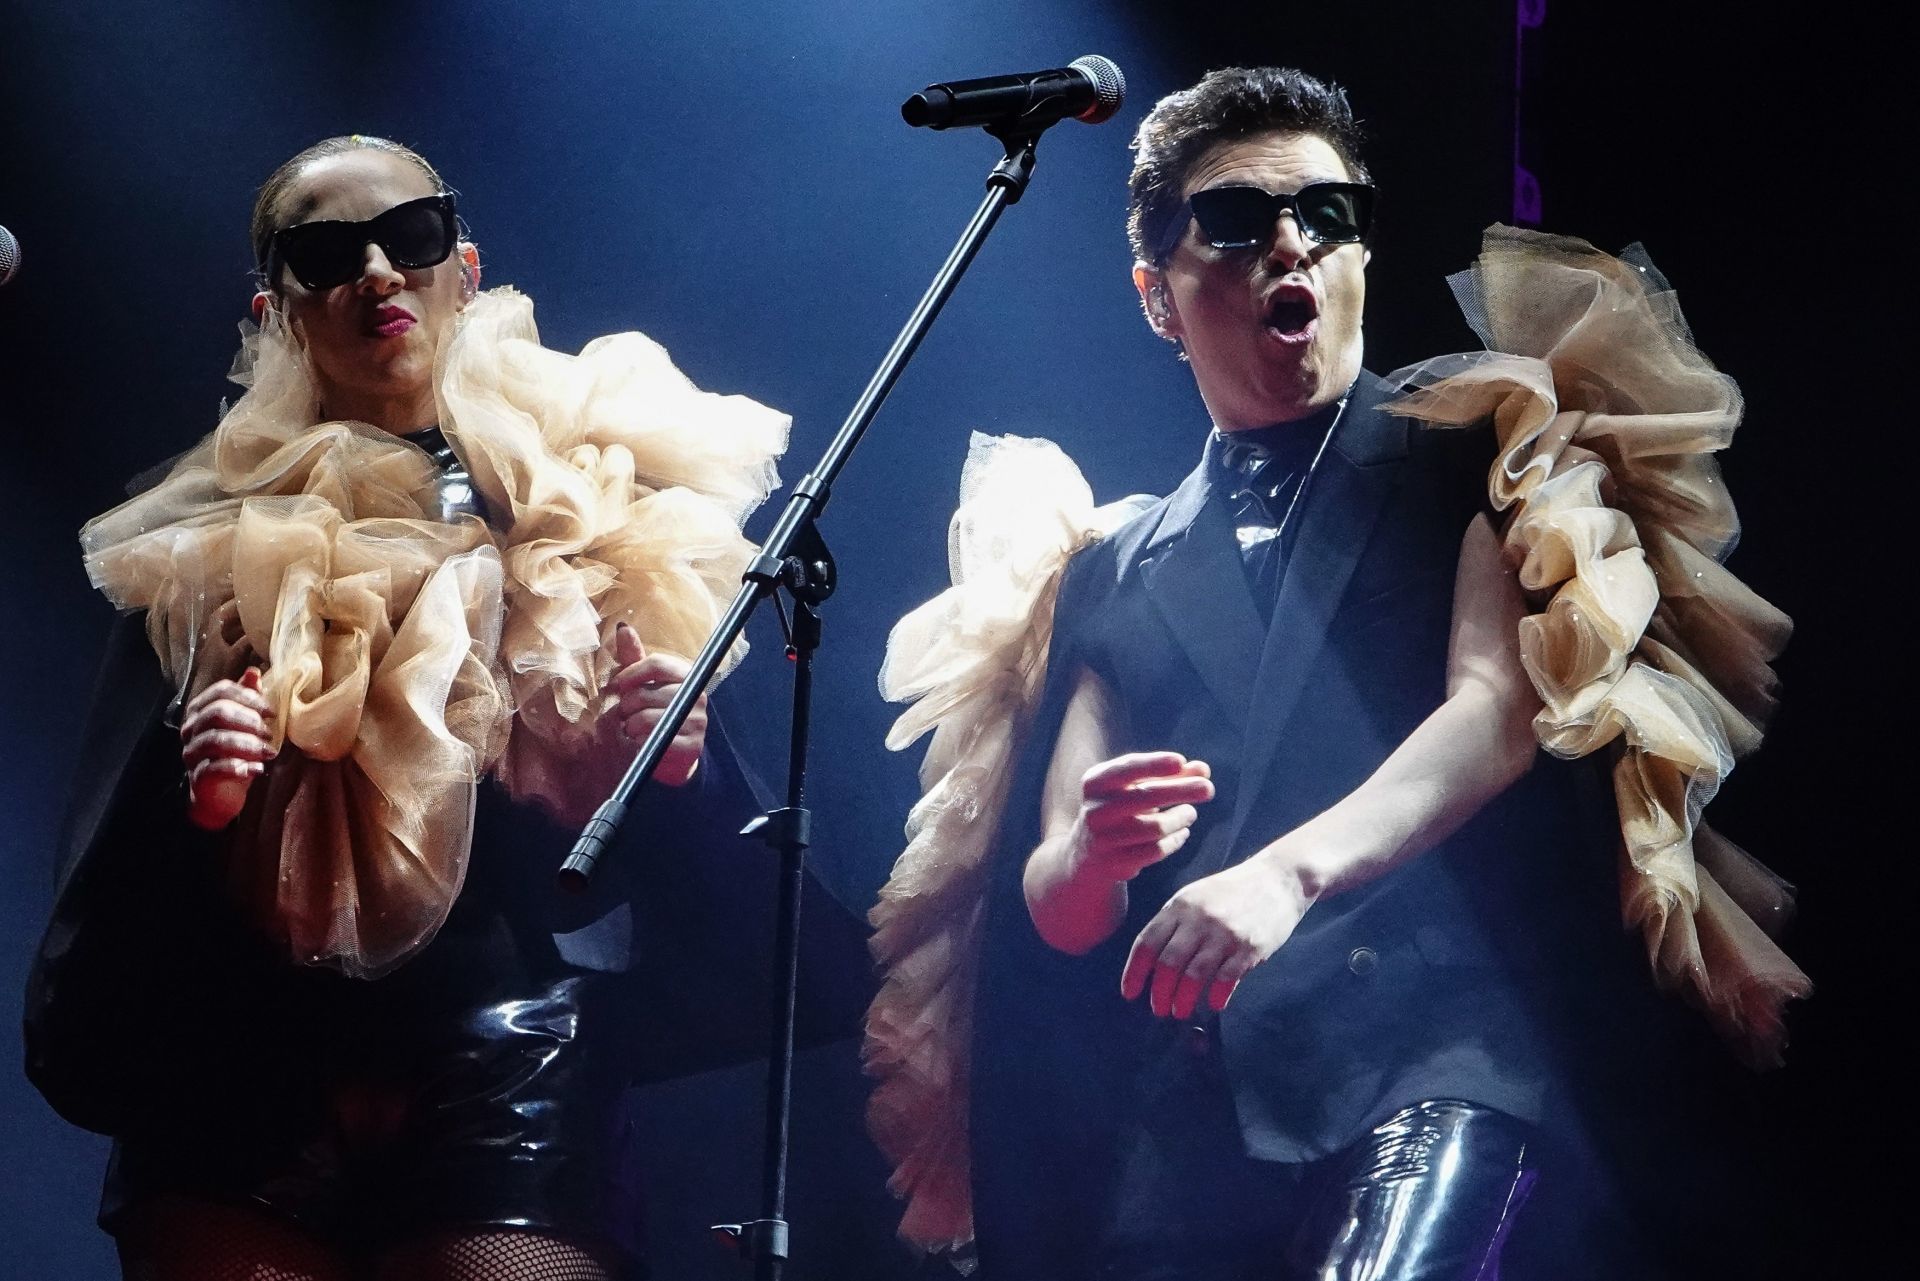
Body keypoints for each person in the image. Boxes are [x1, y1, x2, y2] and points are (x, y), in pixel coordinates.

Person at [864, 68, 1807, 1279]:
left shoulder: (1469, 445)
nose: (1292, 242)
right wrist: (1095, 854)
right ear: (1158, 297)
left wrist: (1287, 872)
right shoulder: (1110, 568)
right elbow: (1056, 894)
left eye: (1328, 213)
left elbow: (1495, 712)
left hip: (1434, 1052)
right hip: (1201, 1101)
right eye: (1236, 220)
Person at [25, 135, 799, 1281]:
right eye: (328, 254)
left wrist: (673, 770)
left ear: (464, 270)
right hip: (237, 1070)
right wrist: (203, 799)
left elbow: (681, 866)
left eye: (411, 236)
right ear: (277, 310)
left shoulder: (578, 497)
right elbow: (111, 856)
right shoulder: (200, 528)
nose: (378, 271)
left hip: (503, 1052)